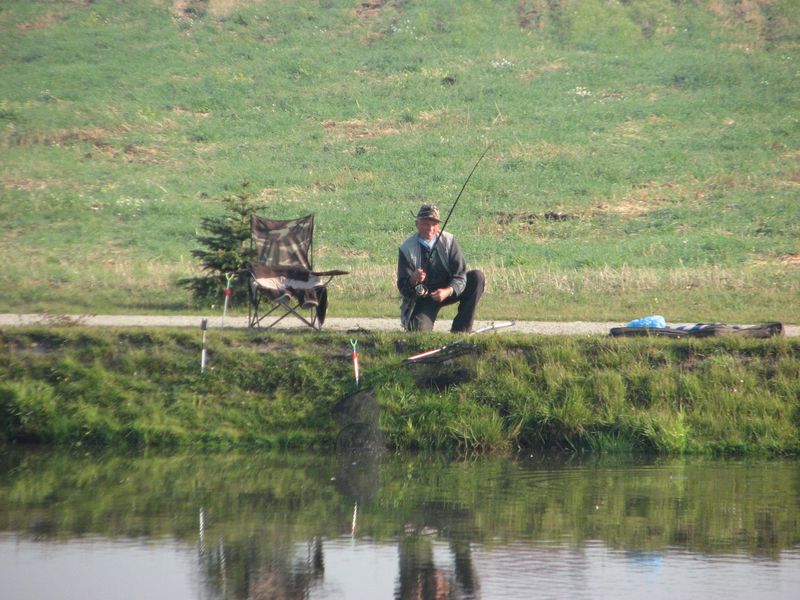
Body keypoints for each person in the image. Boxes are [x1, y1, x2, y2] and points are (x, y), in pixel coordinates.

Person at [397, 204, 485, 332]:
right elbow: (403, 289)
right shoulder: (406, 248)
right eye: (426, 224)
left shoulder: (449, 240)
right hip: (424, 299)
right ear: (417, 224)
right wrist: (412, 280)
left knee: (477, 277)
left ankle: (461, 331)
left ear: (438, 225)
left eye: (434, 224)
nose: (430, 228)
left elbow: (460, 276)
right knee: (417, 332)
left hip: (448, 290)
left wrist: (448, 291)